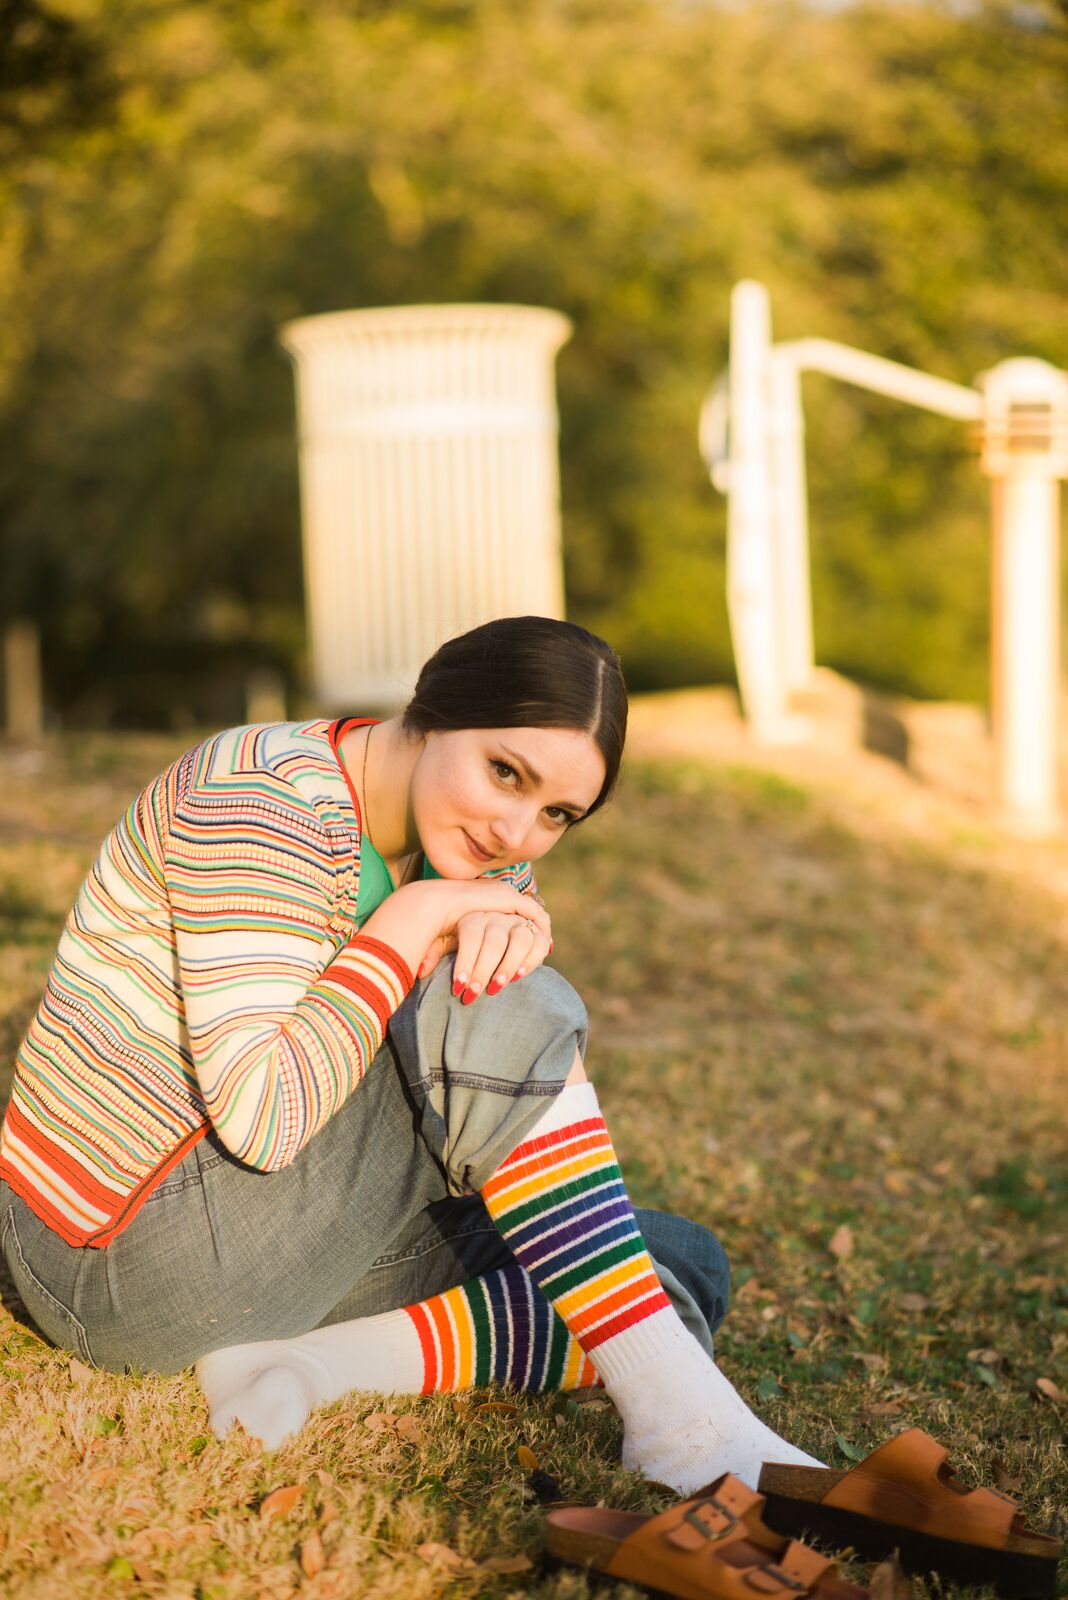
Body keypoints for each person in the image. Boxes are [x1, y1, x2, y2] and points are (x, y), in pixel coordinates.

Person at [0, 616, 819, 1492]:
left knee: (673, 1268)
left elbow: (495, 1092)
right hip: (117, 1256)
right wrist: (414, 915)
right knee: (503, 997)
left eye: (556, 815)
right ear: (431, 711)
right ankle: (683, 1427)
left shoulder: (469, 852)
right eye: (505, 771)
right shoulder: (258, 800)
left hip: (277, 1245)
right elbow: (262, 1119)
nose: (515, 832)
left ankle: (310, 1369)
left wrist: (449, 911)